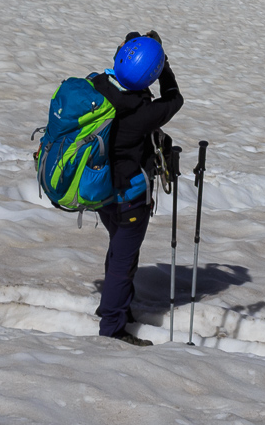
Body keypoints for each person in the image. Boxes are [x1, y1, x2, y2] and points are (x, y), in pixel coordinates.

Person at [91, 30, 183, 346]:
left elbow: (120, 68)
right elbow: (175, 98)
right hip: (128, 197)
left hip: (101, 189)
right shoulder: (143, 113)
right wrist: (165, 67)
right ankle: (112, 328)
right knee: (122, 258)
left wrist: (132, 47)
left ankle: (116, 306)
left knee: (119, 248)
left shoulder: (97, 86)